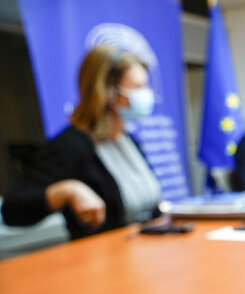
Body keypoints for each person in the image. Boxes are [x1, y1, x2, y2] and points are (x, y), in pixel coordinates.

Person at [1, 46, 162, 239]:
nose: (145, 94)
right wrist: (66, 190)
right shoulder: (70, 146)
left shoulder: (128, 140)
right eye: (137, 87)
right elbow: (13, 209)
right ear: (108, 90)